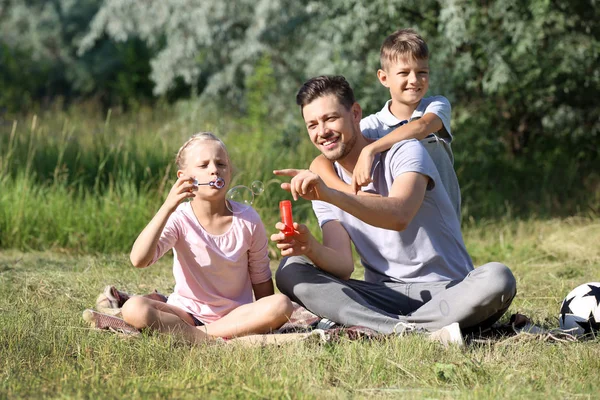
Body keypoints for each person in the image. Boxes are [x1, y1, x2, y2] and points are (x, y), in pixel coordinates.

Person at [271, 75, 516, 345]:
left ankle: (379, 328)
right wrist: (309, 248)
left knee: (497, 277)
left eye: (330, 119)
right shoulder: (323, 181)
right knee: (290, 269)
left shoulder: (404, 150)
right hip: (382, 294)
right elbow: (342, 267)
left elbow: (398, 215)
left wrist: (331, 194)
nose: (322, 132)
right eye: (312, 125)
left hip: (446, 291)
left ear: (355, 113)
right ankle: (405, 333)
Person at [121, 132, 293, 344]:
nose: (214, 170)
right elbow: (139, 260)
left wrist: (267, 315)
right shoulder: (180, 218)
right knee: (133, 308)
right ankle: (207, 336)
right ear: (183, 177)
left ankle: (198, 336)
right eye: (203, 166)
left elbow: (261, 280)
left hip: (236, 317)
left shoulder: (248, 219)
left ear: (229, 172)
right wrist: (167, 206)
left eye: (221, 164)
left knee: (282, 304)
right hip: (186, 314)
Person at [310, 28, 461, 220]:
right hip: (402, 223)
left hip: (444, 222)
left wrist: (370, 150)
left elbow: (421, 127)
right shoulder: (372, 125)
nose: (414, 80)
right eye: (404, 73)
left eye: (422, 72)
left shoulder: (436, 105)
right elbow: (320, 162)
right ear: (384, 78)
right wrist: (348, 192)